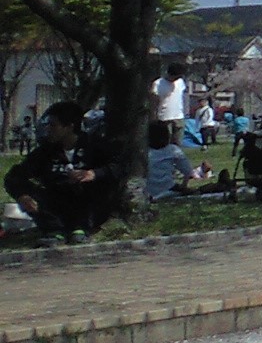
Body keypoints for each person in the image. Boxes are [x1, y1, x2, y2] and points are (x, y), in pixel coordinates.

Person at [4, 101, 125, 245]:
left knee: (99, 186)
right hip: (55, 203)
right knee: (32, 191)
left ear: (69, 127)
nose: (49, 129)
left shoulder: (95, 146)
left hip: (87, 204)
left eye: (53, 125)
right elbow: (15, 176)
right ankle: (54, 231)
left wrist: (93, 173)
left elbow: (117, 166)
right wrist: (22, 195)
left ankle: (81, 229)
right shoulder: (45, 151)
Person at [146, 119, 226, 200]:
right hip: (168, 189)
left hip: (147, 191)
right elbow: (188, 171)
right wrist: (184, 186)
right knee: (200, 190)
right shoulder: (173, 150)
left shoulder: (143, 152)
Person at [152, 61, 189, 126]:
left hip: (179, 117)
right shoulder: (158, 84)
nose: (176, 79)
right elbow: (154, 101)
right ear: (170, 74)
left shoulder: (180, 82)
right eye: (175, 77)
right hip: (164, 118)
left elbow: (183, 97)